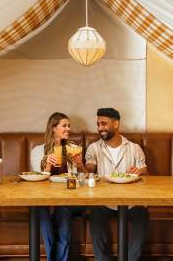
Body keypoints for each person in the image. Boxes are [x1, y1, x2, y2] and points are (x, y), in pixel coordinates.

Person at [75, 108, 149, 261]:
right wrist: (79, 165)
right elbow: (89, 170)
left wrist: (139, 171)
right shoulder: (94, 148)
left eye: (104, 124)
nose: (100, 128)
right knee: (94, 214)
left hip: (131, 201)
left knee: (143, 214)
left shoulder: (134, 148)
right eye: (98, 124)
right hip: (104, 201)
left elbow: (145, 171)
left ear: (116, 124)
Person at [30, 112, 82, 261]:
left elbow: (74, 179)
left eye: (69, 125)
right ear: (53, 128)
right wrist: (47, 166)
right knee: (41, 212)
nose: (68, 129)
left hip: (66, 198)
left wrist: (78, 164)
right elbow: (37, 182)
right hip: (44, 198)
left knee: (63, 208)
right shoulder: (38, 151)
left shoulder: (72, 149)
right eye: (64, 125)